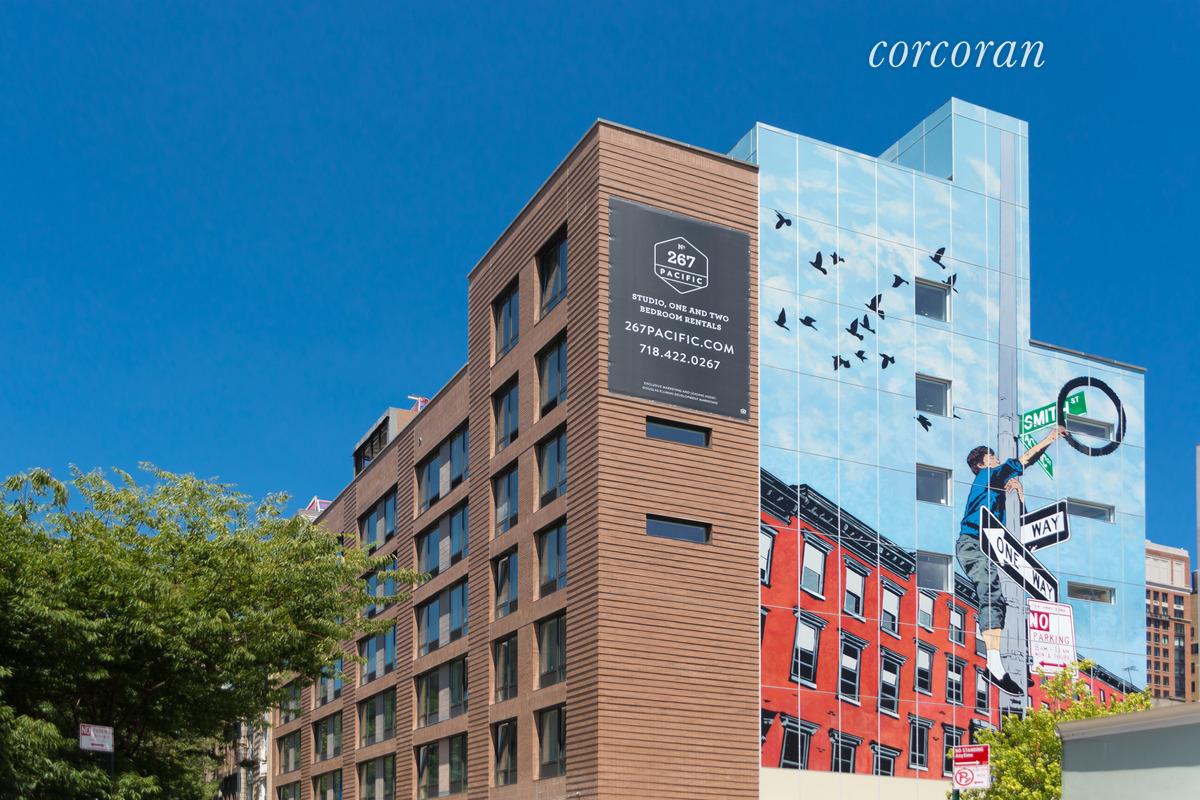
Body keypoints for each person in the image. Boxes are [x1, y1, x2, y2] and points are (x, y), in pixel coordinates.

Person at [957, 424, 1065, 694]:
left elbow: (1019, 533)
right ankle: (994, 665)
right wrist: (1049, 438)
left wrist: (1019, 495)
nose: (996, 460)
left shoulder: (997, 493)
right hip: (972, 542)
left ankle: (1011, 662)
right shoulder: (986, 476)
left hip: (992, 547)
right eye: (992, 457)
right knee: (991, 591)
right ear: (982, 464)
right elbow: (1022, 461)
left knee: (1001, 600)